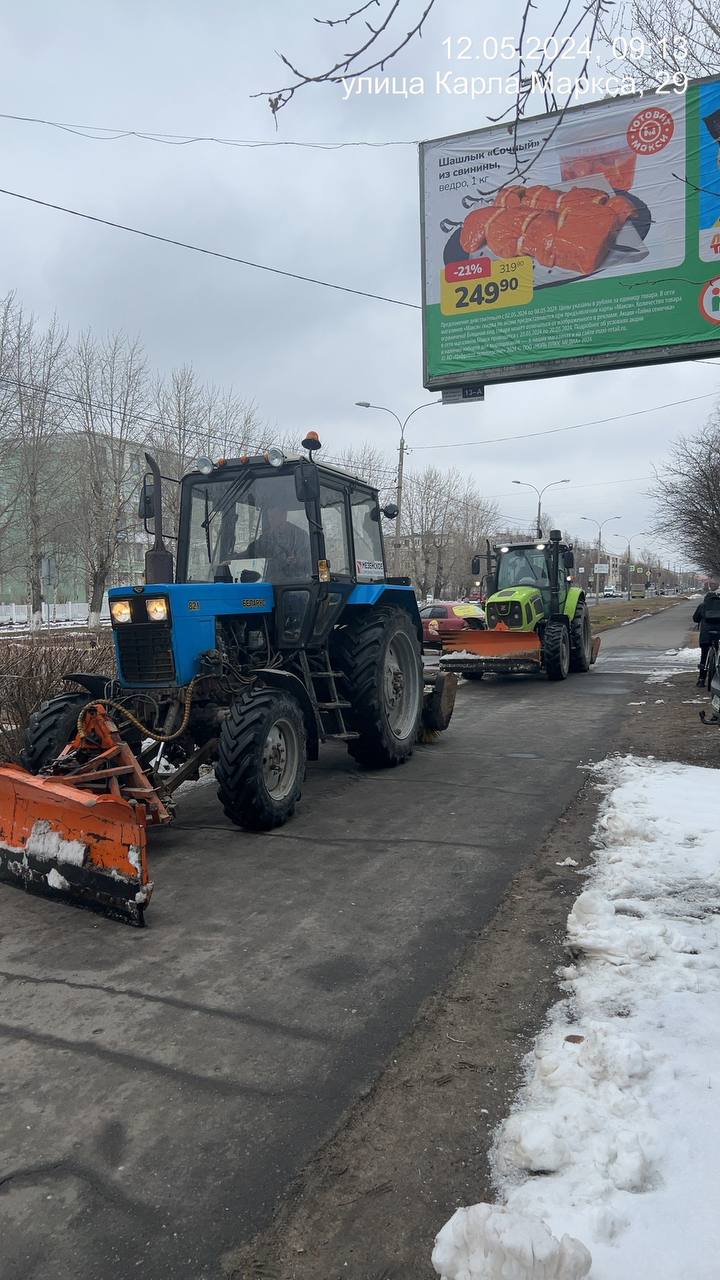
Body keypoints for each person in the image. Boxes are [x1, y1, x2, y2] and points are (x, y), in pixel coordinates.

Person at [241, 503, 312, 582]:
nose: (271, 520)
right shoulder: (266, 538)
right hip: (272, 584)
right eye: (269, 518)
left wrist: (297, 561)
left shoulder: (300, 536)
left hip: (298, 585)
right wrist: (231, 559)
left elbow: (310, 561)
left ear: (284, 515)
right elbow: (250, 552)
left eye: (274, 517)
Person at [692, 580, 720, 686]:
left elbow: (695, 619)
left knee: (704, 655)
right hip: (719, 634)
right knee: (718, 652)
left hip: (706, 634)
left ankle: (701, 680)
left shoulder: (702, 606)